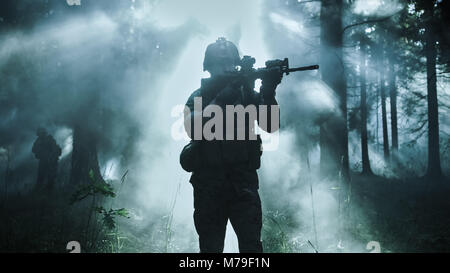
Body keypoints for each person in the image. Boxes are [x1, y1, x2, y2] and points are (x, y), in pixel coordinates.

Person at [182, 37, 281, 253]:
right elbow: (192, 128)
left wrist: (268, 91)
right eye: (220, 64)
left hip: (243, 183)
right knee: (210, 248)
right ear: (208, 67)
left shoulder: (245, 95)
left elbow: (271, 125)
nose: (226, 69)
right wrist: (220, 101)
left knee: (251, 248)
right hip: (208, 184)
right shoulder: (198, 97)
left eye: (230, 64)